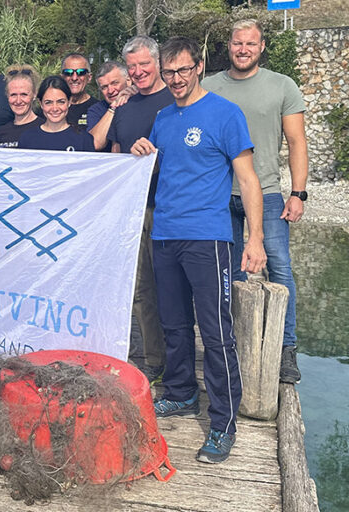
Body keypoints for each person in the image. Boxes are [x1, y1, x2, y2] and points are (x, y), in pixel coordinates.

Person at [131, 37, 266, 464]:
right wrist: (141, 152)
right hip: (165, 234)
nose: (175, 79)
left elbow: (247, 180)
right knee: (173, 324)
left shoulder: (225, 114)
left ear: (200, 67)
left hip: (208, 236)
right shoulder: (163, 117)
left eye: (183, 71)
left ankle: (223, 422)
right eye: (168, 72)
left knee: (216, 332)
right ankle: (181, 392)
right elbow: (158, 167)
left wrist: (256, 238)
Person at [203, 19, 308, 384]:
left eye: (250, 44)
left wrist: (298, 192)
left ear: (261, 47)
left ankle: (285, 348)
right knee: (227, 273)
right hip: (219, 195)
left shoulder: (282, 86)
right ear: (228, 46)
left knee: (279, 267)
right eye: (237, 43)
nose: (243, 49)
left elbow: (297, 142)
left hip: (266, 192)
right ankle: (232, 341)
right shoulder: (208, 87)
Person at [109, 36, 174, 383]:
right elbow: (117, 157)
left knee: (174, 289)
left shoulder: (176, 99)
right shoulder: (125, 108)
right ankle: (154, 359)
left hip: (171, 210)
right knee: (141, 290)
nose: (137, 72)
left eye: (144, 64)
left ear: (158, 62)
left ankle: (180, 363)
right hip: (134, 212)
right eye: (131, 67)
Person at [17, 76, 95, 152]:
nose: (55, 108)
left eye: (61, 102)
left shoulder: (84, 139)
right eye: (48, 103)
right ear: (41, 103)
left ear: (69, 101)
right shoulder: (27, 139)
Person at [87, 61, 135, 151]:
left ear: (128, 81)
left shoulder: (140, 103)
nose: (110, 91)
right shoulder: (97, 110)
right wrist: (113, 108)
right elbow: (95, 144)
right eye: (104, 87)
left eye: (115, 83)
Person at [0, 65, 43, 148]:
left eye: (24, 94)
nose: (18, 101)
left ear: (34, 95)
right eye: (13, 95)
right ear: (7, 95)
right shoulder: (1, 133)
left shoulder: (45, 129)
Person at [58, 52, 97, 130]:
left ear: (89, 77)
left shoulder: (98, 109)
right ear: (62, 77)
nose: (74, 78)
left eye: (81, 72)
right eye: (68, 73)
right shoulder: (51, 110)